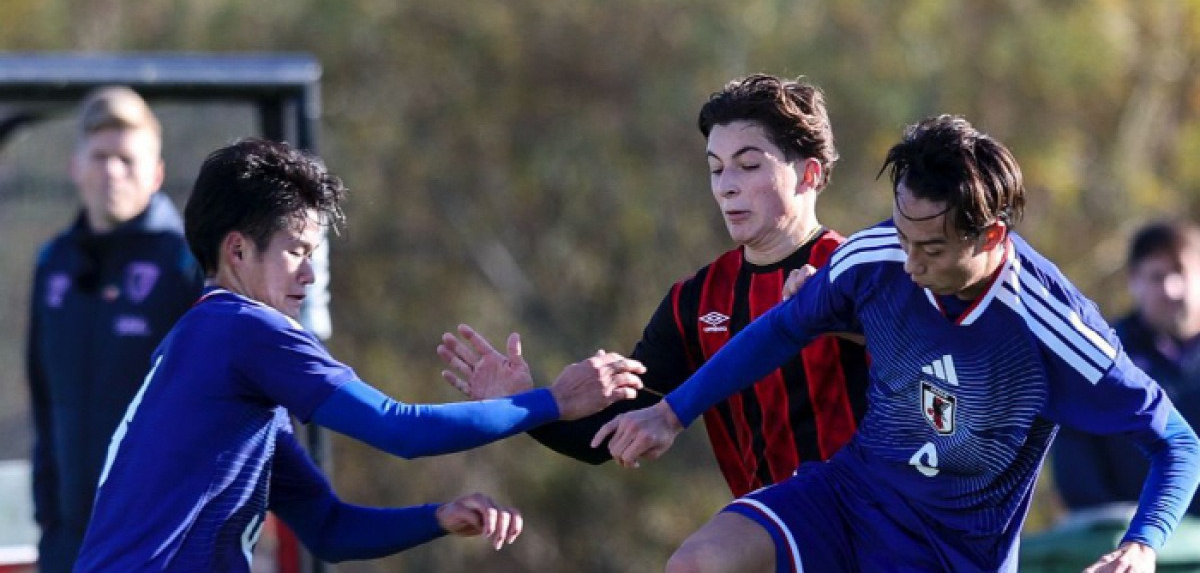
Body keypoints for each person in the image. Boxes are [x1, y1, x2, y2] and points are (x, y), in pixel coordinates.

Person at [594, 115, 1200, 572]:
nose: (909, 262)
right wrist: (673, 412)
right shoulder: (874, 256)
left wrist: (1142, 544)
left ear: (991, 237)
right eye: (903, 234)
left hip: (956, 554)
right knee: (698, 563)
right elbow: (781, 328)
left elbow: (1177, 442)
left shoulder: (1056, 329)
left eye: (931, 248)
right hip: (849, 501)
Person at [73, 138, 646, 571]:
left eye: (314, 254)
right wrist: (553, 402)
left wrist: (437, 519)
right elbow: (400, 428)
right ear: (238, 251)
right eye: (297, 251)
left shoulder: (213, 347)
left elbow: (327, 528)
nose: (309, 274)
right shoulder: (245, 329)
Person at [439, 74, 869, 498]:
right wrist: (519, 406)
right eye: (716, 169)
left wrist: (840, 315)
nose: (726, 187)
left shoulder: (862, 271)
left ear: (809, 174)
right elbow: (609, 436)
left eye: (749, 165)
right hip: (770, 527)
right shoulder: (695, 301)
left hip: (876, 518)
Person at [25, 86, 205, 572]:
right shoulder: (53, 263)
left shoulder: (188, 266)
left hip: (159, 543)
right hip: (69, 544)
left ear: (157, 173)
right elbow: (43, 400)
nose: (112, 172)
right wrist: (50, 522)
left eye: (127, 159)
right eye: (100, 157)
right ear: (75, 166)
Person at [1053, 220, 1200, 517]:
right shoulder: (1098, 362)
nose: (1171, 289)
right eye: (1157, 276)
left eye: (1180, 272)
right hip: (1130, 537)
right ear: (1133, 281)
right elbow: (1077, 469)